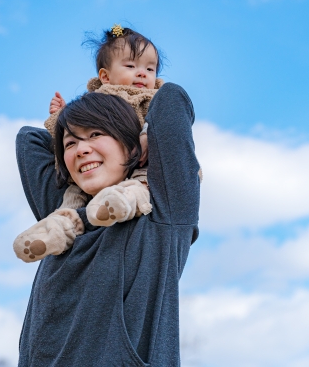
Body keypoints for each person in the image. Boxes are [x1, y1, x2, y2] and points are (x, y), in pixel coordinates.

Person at [16, 83, 200, 366]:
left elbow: (172, 100)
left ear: (133, 146)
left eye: (95, 134)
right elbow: (28, 139)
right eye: (70, 143)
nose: (81, 149)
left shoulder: (164, 210)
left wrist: (145, 133)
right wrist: (64, 122)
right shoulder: (61, 220)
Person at [13, 25, 165, 262]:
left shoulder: (154, 99)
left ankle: (122, 202)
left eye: (149, 68)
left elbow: (167, 120)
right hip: (93, 178)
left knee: (139, 184)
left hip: (141, 167)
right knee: (73, 195)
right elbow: (68, 135)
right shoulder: (95, 102)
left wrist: (147, 137)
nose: (142, 73)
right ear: (105, 76)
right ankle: (58, 228)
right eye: (130, 66)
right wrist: (60, 117)